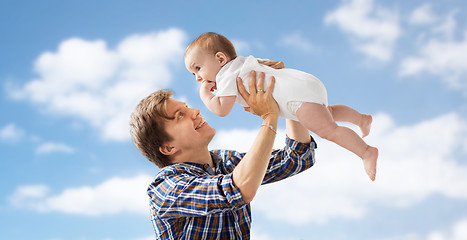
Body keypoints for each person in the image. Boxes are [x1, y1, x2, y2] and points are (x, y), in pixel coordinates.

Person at [129, 71, 317, 239]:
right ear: (168, 148)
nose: (195, 111)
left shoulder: (226, 162)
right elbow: (238, 189)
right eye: (179, 115)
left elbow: (296, 159)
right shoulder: (166, 188)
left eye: (187, 107)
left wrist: (286, 97)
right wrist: (269, 117)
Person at [184, 32, 378, 181]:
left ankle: (366, 152)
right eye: (194, 75)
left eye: (198, 68)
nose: (198, 78)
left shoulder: (225, 76)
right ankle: (361, 119)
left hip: (295, 98)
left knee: (329, 130)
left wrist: (206, 94)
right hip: (304, 83)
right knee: (329, 112)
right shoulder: (242, 63)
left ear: (220, 59)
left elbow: (221, 110)